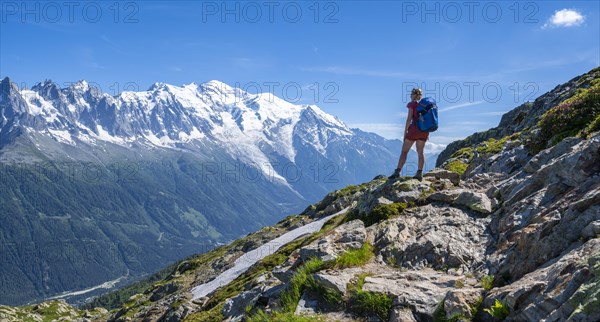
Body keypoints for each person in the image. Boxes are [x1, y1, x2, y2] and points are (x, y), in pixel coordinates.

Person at [390, 88, 428, 181]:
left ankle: (397, 172)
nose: (410, 96)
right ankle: (419, 173)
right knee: (421, 152)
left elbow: (408, 120)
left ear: (414, 95)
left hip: (414, 130)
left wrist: (405, 132)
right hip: (424, 131)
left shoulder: (412, 104)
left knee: (404, 151)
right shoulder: (425, 105)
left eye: (411, 94)